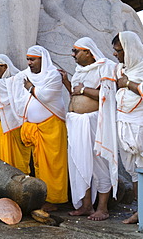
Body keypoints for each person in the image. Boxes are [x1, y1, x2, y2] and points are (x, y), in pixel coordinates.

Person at [0, 46, 68, 211]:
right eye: (28, 59)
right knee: (38, 164)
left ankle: (54, 199)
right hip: (33, 127)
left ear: (42, 60)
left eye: (33, 59)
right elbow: (6, 85)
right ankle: (41, 196)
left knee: (52, 165)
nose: (29, 63)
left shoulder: (52, 75)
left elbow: (46, 96)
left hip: (52, 126)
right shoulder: (25, 75)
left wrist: (31, 88)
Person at [61, 37, 118, 221]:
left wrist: (84, 90)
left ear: (88, 52)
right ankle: (86, 206)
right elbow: (74, 93)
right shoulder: (79, 71)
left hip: (94, 122)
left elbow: (108, 94)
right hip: (76, 122)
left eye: (76, 51)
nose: (73, 55)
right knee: (79, 164)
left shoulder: (105, 66)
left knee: (99, 164)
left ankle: (102, 208)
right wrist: (67, 83)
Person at [112, 31, 143, 224]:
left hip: (140, 125)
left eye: (119, 51)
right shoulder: (120, 70)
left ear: (129, 50)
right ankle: (140, 210)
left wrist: (128, 83)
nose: (116, 54)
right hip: (124, 125)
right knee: (133, 171)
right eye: (115, 51)